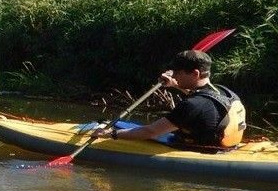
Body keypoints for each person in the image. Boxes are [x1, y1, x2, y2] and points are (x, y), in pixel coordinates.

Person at [92, 50, 246, 149]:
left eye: (178, 73)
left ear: (195, 74)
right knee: (121, 125)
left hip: (197, 148)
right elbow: (203, 102)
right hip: (225, 145)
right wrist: (176, 86)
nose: (174, 76)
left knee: (119, 128)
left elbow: (150, 132)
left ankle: (103, 128)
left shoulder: (191, 105)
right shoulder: (224, 91)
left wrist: (110, 134)